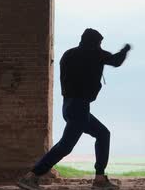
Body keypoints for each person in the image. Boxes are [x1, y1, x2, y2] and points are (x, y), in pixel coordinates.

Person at [17, 28, 131, 190]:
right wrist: (125, 50)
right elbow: (116, 61)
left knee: (102, 134)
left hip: (69, 105)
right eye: (99, 43)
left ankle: (99, 178)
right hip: (80, 107)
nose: (100, 46)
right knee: (65, 146)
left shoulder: (68, 54)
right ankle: (31, 176)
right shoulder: (94, 53)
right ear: (94, 42)